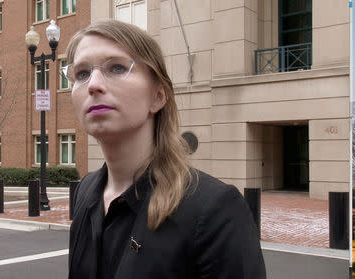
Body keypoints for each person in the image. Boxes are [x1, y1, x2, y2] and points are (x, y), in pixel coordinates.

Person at [64, 19, 266, 279]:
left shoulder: (215, 209)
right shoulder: (86, 191)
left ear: (158, 96)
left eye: (116, 67)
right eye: (82, 73)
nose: (93, 84)